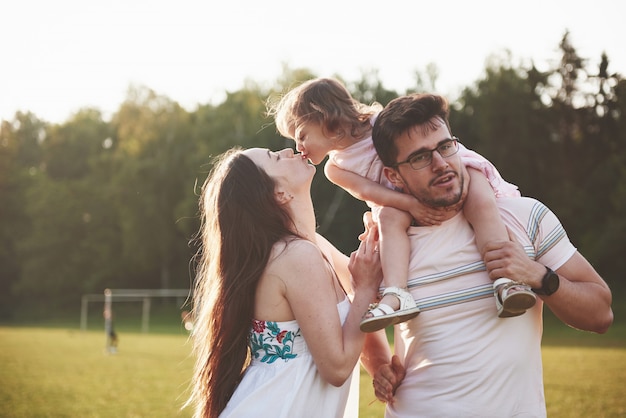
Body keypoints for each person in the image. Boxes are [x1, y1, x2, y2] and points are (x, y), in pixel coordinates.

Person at [360, 93, 614, 417]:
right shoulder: (386, 245)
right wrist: (381, 365)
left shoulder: (524, 217)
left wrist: (538, 276)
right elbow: (358, 317)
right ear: (394, 176)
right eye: (420, 158)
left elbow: (601, 314)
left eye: (445, 146)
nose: (441, 164)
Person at [268, 77, 536, 333]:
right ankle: (397, 294)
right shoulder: (336, 168)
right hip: (400, 199)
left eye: (301, 135)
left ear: (326, 119)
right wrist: (412, 205)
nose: (298, 145)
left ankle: (507, 279)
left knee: (480, 203)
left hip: (448, 172)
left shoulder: (380, 123)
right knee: (387, 218)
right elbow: (370, 192)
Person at [185, 146, 383, 418]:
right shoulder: (296, 255)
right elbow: (336, 368)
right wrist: (366, 287)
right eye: (275, 157)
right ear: (279, 194)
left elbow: (366, 291)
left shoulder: (312, 246)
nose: (288, 150)